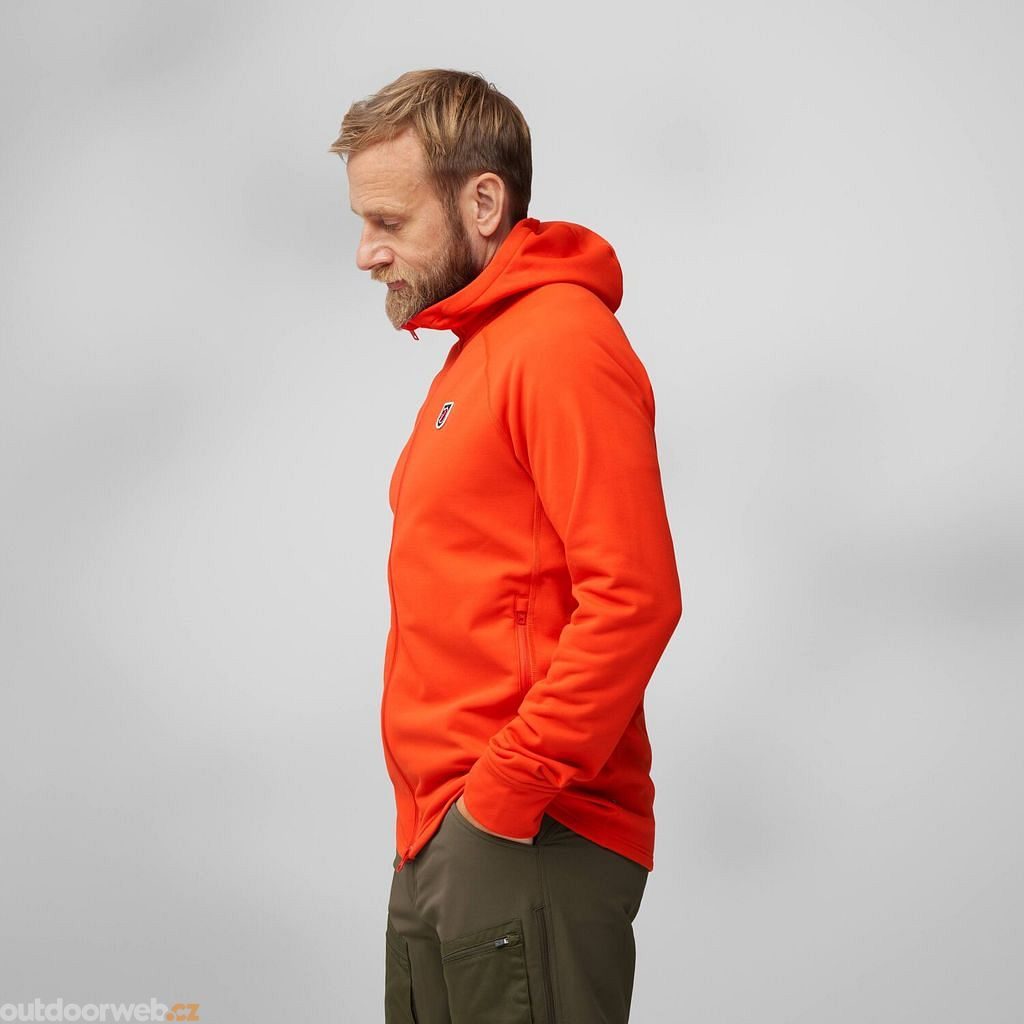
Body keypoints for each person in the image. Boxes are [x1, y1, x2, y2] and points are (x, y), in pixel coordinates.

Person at [329, 68, 683, 1023]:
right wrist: (450, 826)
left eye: (389, 221)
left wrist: (501, 799)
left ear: (482, 202)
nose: (365, 253)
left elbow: (636, 597)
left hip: (531, 835)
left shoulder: (560, 342)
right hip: (442, 837)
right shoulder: (473, 359)